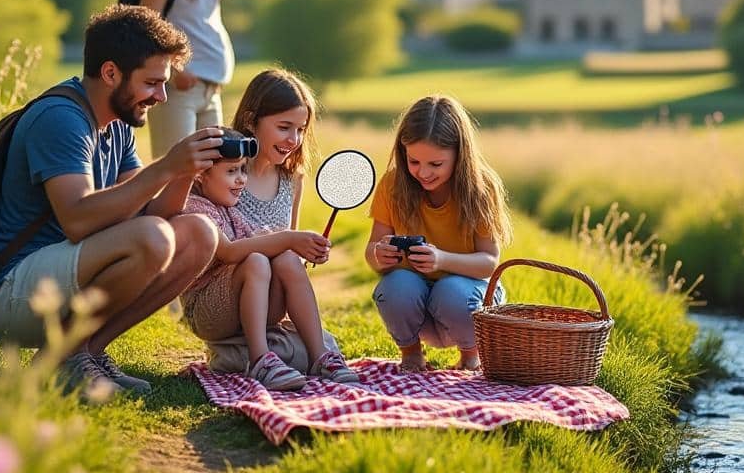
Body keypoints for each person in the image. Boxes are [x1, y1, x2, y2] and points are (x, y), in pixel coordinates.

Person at [0, 4, 224, 397]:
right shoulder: (61, 117)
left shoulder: (116, 124)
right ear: (111, 73)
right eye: (152, 83)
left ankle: (85, 352)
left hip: (65, 274)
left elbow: (149, 214)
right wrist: (165, 167)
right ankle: (63, 359)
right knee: (152, 238)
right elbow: (77, 218)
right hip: (13, 291)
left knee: (199, 232)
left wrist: (185, 172)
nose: (162, 96)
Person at [180, 130, 359, 390]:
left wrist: (300, 248)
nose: (241, 180)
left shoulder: (231, 209)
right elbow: (229, 252)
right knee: (256, 261)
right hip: (206, 313)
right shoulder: (195, 207)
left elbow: (265, 244)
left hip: (245, 307)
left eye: (243, 170)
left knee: (286, 258)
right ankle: (260, 359)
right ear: (200, 174)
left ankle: (320, 355)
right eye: (232, 172)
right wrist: (287, 238)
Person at [363, 95, 514, 372]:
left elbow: (489, 262)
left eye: (436, 164)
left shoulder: (480, 188)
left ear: (460, 155)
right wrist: (378, 254)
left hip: (467, 302)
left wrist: (441, 260)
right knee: (394, 287)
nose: (423, 173)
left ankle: (471, 355)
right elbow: (371, 252)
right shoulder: (393, 185)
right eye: (414, 161)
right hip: (416, 305)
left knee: (450, 291)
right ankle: (411, 354)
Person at [140, 0, 271, 159]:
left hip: (212, 91)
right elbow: (144, 25)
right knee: (176, 170)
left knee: (211, 171)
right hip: (179, 90)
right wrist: (175, 71)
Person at [229, 68, 318, 232]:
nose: (294, 140)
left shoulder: (293, 179)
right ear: (250, 121)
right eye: (284, 127)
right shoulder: (221, 173)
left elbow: (291, 245)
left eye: (300, 130)